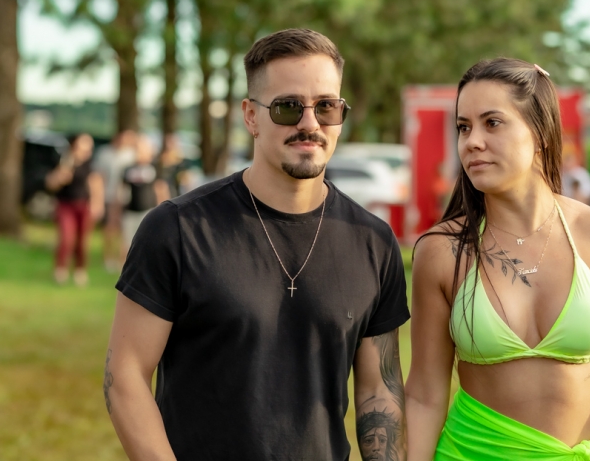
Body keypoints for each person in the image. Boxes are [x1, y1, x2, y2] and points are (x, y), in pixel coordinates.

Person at [104, 28, 409, 460]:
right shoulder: (178, 228)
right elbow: (125, 376)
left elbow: (379, 392)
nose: (310, 123)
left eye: (326, 106)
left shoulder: (373, 242)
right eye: (288, 107)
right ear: (250, 116)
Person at [406, 58, 590, 460]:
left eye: (492, 123)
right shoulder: (442, 250)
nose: (472, 141)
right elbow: (425, 395)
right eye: (463, 127)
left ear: (541, 134)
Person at [45, 133, 104, 286]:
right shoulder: (64, 160)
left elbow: (96, 184)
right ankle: (60, 270)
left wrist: (97, 203)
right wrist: (60, 176)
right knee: (66, 238)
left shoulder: (90, 164)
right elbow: (51, 184)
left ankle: (80, 270)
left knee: (83, 241)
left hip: (84, 205)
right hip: (65, 205)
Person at [93, 129, 137, 271]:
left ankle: (122, 259)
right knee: (110, 228)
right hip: (110, 196)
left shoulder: (132, 154)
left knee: (126, 229)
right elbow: (99, 176)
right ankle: (108, 257)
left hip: (127, 198)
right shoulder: (105, 153)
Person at [120, 137, 170, 258]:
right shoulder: (128, 169)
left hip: (148, 211)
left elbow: (161, 189)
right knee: (127, 244)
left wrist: (164, 212)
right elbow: (122, 191)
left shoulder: (155, 168)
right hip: (130, 211)